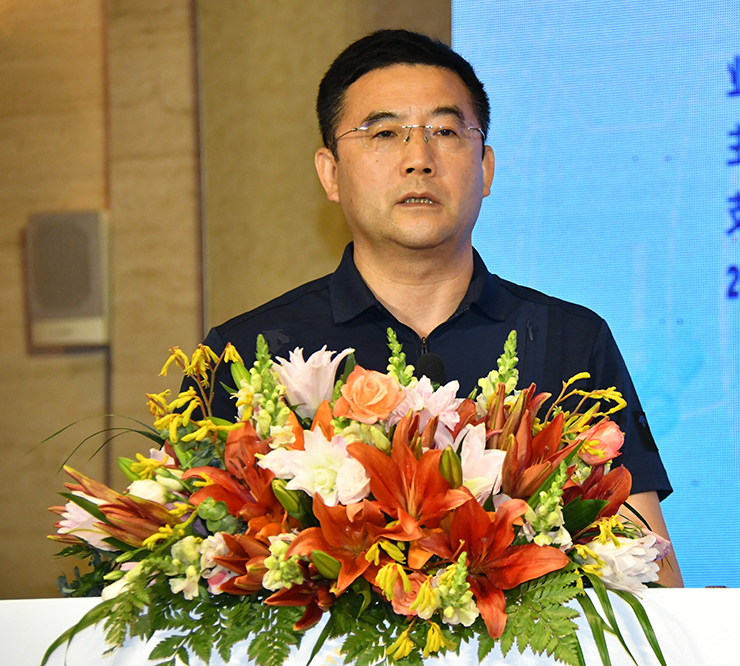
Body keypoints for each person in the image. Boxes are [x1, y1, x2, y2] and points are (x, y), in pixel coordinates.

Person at [198, 29, 683, 586]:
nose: (418, 159)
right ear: (331, 173)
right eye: (384, 133)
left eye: (446, 132)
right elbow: (201, 571)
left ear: (486, 169)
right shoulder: (248, 353)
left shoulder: (571, 340)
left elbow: (651, 573)